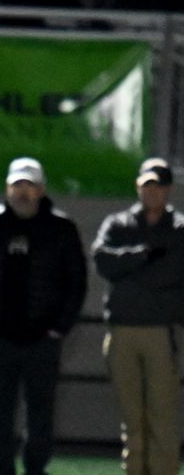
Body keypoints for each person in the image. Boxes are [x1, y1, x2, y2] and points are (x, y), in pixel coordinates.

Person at [0, 157, 87, 475]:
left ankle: (35, 469)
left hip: (43, 340)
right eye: (17, 185)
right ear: (7, 188)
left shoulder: (62, 228)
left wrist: (59, 327)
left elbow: (77, 281)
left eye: (29, 186)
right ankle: (0, 470)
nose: (22, 192)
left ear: (41, 190)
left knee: (41, 414)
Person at [92, 157, 184, 475]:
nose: (151, 193)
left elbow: (171, 273)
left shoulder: (178, 229)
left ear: (168, 190)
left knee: (163, 416)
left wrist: (131, 269)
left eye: (157, 187)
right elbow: (102, 260)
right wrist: (144, 256)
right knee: (131, 418)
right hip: (122, 330)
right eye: (146, 186)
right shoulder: (119, 224)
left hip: (162, 331)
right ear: (138, 188)